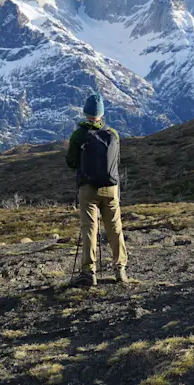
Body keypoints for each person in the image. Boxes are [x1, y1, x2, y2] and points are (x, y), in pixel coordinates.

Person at [66, 93, 129, 287]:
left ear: (85, 113)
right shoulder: (113, 134)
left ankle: (88, 272)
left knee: (90, 229)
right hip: (111, 188)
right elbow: (116, 161)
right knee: (115, 228)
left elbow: (71, 162)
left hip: (88, 189)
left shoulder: (79, 135)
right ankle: (120, 269)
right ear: (102, 114)